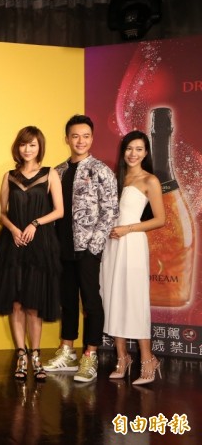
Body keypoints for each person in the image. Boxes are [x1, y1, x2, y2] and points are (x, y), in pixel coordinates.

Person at [44, 115, 118, 383]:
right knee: (67, 300)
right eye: (75, 136)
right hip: (62, 247)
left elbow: (110, 210)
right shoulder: (58, 171)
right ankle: (67, 351)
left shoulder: (100, 170)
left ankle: (90, 354)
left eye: (86, 136)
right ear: (66, 138)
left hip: (88, 248)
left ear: (92, 138)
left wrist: (94, 245)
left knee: (90, 299)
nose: (80, 141)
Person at [0, 126, 63, 381]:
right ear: (17, 147)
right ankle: (21, 354)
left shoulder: (50, 174)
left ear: (40, 147)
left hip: (41, 246)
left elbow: (59, 210)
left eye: (32, 144)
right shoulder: (9, 176)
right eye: (23, 144)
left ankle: (36, 355)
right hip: (14, 244)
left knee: (33, 304)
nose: (27, 149)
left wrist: (35, 224)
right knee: (16, 303)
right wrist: (12, 229)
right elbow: (0, 211)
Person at [101, 130, 165, 385]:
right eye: (129, 148)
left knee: (135, 299)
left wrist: (127, 229)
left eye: (139, 149)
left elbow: (160, 219)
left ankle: (148, 359)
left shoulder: (150, 180)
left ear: (146, 152)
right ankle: (122, 357)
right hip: (111, 244)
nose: (133, 153)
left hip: (133, 243)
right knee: (112, 296)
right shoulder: (114, 177)